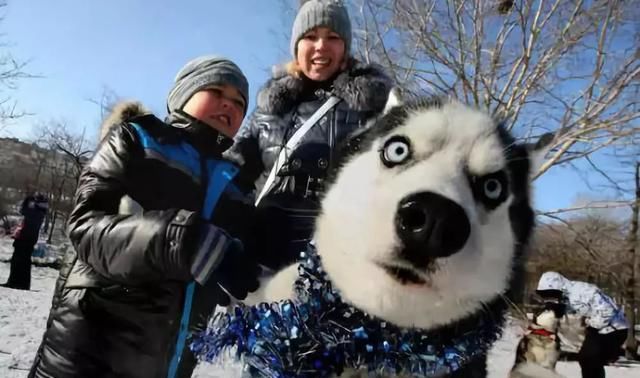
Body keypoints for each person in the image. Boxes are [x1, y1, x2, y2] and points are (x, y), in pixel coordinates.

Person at [28, 56, 261, 378]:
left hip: (170, 362)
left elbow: (238, 262)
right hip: (89, 353)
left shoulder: (235, 184)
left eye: (239, 102)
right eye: (216, 91)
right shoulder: (137, 139)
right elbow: (85, 228)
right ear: (184, 94)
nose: (229, 105)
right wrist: (183, 241)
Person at [226, 0, 393, 271]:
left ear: (345, 48)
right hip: (263, 255)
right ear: (296, 47)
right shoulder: (270, 109)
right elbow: (230, 174)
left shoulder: (374, 107)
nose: (320, 46)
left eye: (333, 37)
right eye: (310, 36)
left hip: (338, 261)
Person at [536, 271, 628, 378]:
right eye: (544, 296)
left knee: (589, 358)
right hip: (599, 330)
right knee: (588, 360)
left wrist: (592, 325)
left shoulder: (582, 291)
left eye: (550, 294)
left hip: (614, 328)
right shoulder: (564, 298)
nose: (549, 298)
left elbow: (607, 311)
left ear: (559, 288)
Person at [2, 191, 48, 290]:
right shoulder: (40, 211)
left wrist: (27, 201)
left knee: (19, 261)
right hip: (29, 238)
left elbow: (24, 211)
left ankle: (16, 282)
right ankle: (20, 283)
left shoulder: (37, 212)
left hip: (25, 238)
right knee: (23, 262)